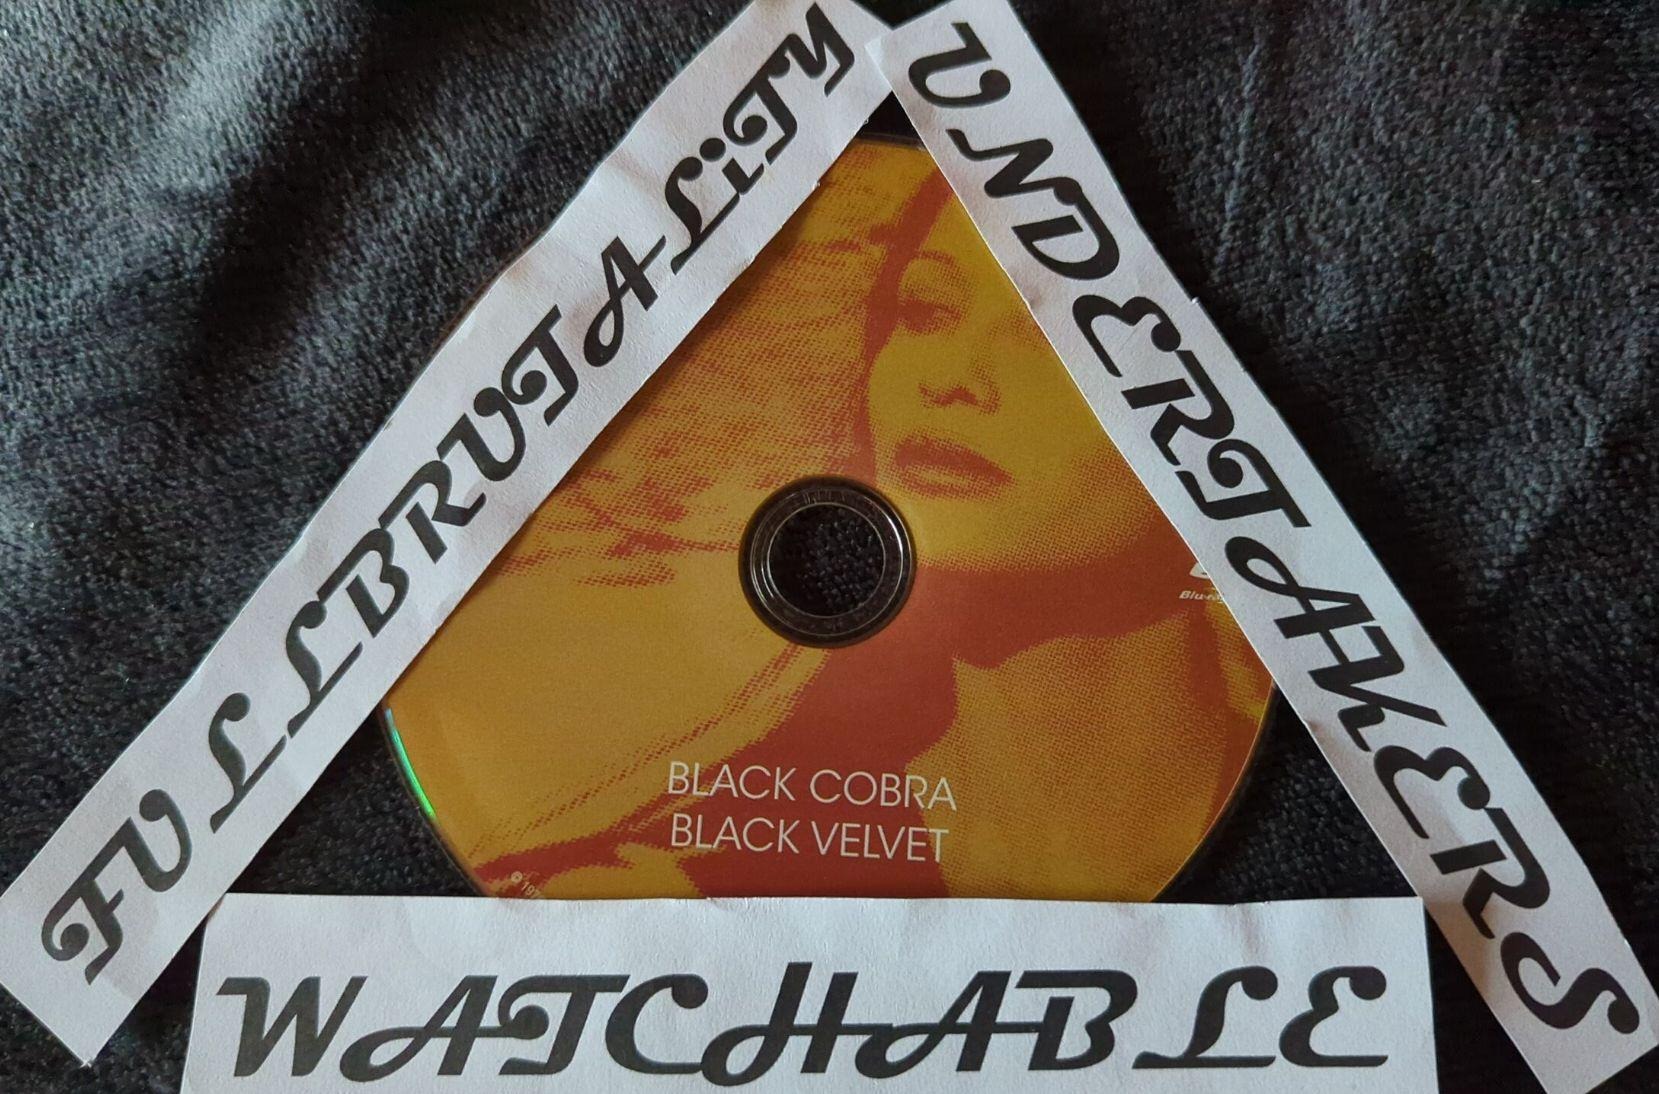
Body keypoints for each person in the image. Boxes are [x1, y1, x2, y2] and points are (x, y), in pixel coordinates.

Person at [385, 140, 1270, 903]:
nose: (947, 378)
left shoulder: (1255, 743)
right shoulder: (672, 854)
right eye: (923, 312)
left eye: (1048, 346)